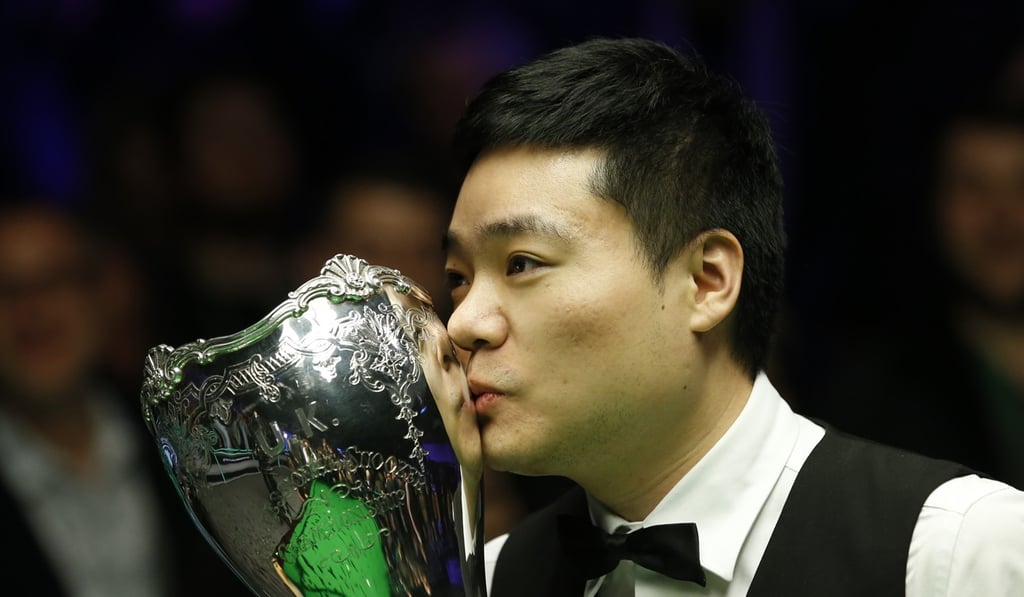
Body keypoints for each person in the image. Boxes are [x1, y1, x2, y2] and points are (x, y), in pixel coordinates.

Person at [437, 37, 1024, 596]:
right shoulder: (491, 578)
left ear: (707, 281)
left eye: (521, 263)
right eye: (458, 279)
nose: (463, 324)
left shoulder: (956, 550)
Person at [0, 201, 249, 597]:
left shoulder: (196, 434)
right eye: (7, 290)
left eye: (55, 280)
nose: (34, 310)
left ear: (103, 296)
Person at [803, 102, 1024, 490]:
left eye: (1022, 184)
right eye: (973, 186)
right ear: (933, 204)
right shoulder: (871, 397)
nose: (1001, 214)